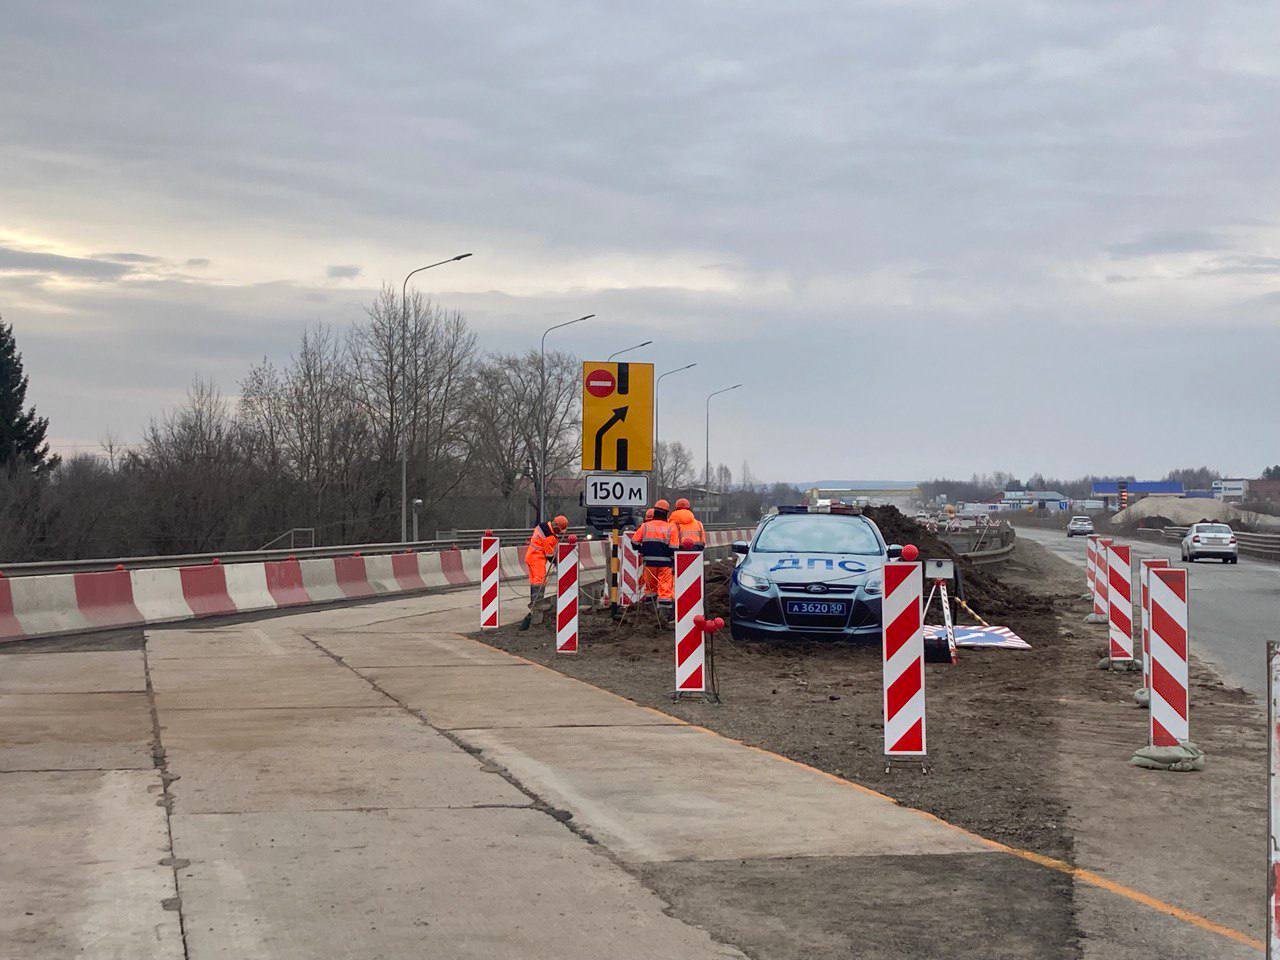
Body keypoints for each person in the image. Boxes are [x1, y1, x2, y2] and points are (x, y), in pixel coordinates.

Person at [519, 515, 568, 629]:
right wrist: (557, 563)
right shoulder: (549, 536)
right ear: (556, 526)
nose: (560, 533)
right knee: (539, 581)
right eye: (559, 531)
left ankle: (534, 605)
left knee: (534, 581)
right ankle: (537, 607)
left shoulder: (543, 526)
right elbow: (550, 555)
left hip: (530, 556)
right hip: (537, 559)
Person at [632, 499, 678, 604]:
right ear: (666, 513)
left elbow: (634, 542)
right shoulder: (671, 527)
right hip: (665, 564)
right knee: (665, 588)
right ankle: (664, 610)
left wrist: (643, 550)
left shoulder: (645, 526)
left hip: (649, 563)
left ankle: (649, 611)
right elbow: (674, 548)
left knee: (650, 588)